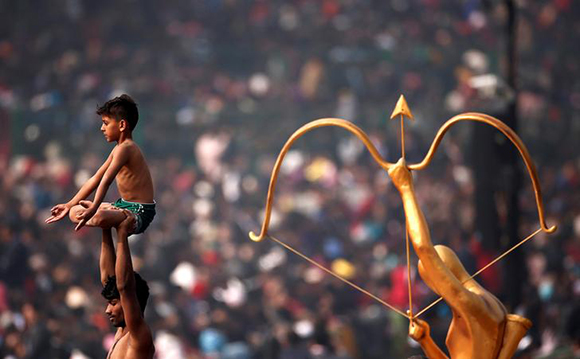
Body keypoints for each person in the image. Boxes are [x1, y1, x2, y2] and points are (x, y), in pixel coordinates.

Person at [388, 159, 531, 359]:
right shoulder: (489, 303)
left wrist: (405, 189)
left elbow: (423, 248)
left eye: (431, 278)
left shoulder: (469, 303)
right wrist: (425, 341)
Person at [45, 94, 155, 234]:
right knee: (74, 212)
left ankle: (105, 213)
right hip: (122, 205)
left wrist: (94, 208)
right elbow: (96, 178)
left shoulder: (126, 148)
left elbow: (106, 181)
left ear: (121, 125)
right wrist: (69, 204)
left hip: (139, 211)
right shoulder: (118, 149)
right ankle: (106, 213)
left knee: (99, 217)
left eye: (106, 123)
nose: (102, 128)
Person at [101, 212, 155, 359]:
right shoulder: (120, 333)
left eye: (113, 303)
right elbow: (109, 280)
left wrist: (122, 235)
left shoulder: (138, 335)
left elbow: (124, 287)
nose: (107, 310)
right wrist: (105, 228)